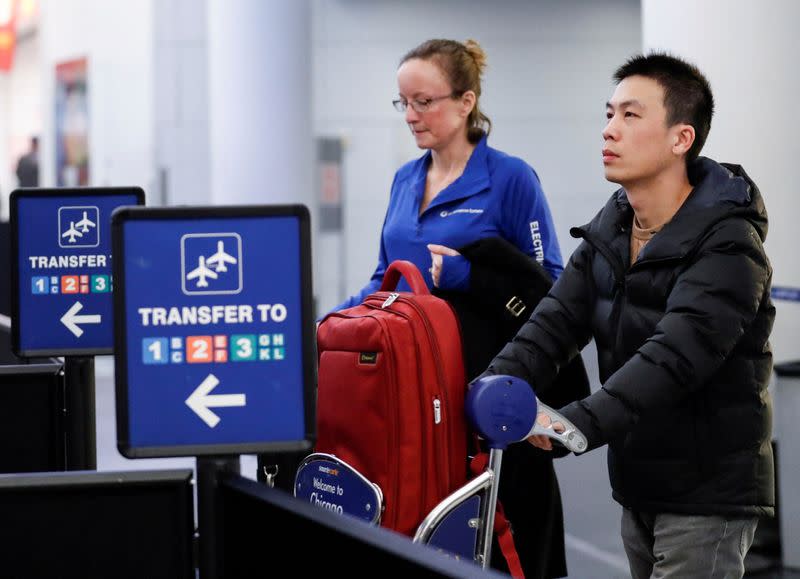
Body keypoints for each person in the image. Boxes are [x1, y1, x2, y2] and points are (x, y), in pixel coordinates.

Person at [479, 52, 775, 579]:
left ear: (681, 138)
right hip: (638, 481)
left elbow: (671, 359)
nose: (609, 130)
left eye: (630, 116)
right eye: (609, 113)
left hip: (706, 492)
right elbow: (551, 324)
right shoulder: (612, 229)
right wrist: (494, 383)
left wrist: (577, 423)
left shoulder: (729, 243)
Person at [327, 38, 588, 579]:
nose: (411, 116)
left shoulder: (509, 179)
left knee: (509, 531)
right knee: (426, 525)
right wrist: (330, 327)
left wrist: (472, 278)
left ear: (466, 101)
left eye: (424, 102)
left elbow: (555, 291)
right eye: (403, 103)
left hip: (490, 389)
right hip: (419, 392)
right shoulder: (404, 180)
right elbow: (384, 278)